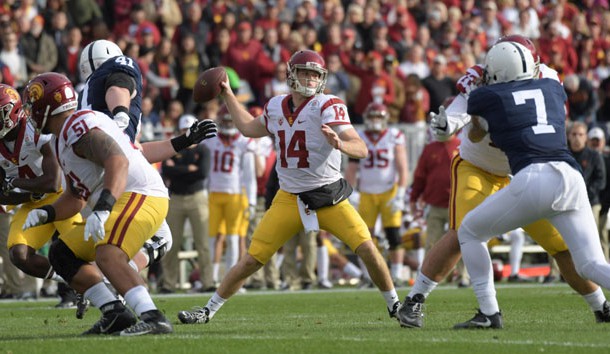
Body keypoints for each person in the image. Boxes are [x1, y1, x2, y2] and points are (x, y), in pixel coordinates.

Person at [397, 35, 610, 329]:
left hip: (525, 176)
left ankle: (597, 306)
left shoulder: (510, 86)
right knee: (461, 233)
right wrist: (450, 126)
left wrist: (463, 125)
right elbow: (461, 127)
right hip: (487, 167)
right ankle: (416, 299)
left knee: (548, 244)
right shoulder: (547, 83)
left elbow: (477, 125)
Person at [177, 50, 402, 325]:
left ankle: (395, 306)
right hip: (289, 197)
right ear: (291, 74)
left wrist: (341, 144)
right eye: (306, 72)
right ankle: (207, 310)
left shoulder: (328, 104)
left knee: (367, 248)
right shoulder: (275, 106)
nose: (310, 79)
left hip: (327, 196)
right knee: (252, 259)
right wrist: (227, 94)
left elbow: (361, 147)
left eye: (315, 74)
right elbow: (248, 127)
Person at [20, 72, 215, 335]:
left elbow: (117, 161)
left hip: (140, 193)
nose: (30, 113)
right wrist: (47, 213)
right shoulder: (60, 141)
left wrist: (102, 208)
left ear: (47, 106)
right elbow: (76, 197)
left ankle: (153, 316)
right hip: (119, 198)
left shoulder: (77, 125)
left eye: (33, 106)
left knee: (108, 253)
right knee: (62, 254)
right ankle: (115, 312)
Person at [0, 83, 84, 306]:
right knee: (19, 255)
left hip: (62, 198)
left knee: (78, 250)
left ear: (13, 111)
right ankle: (69, 283)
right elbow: (2, 196)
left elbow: (51, 182)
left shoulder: (37, 131)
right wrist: (23, 196)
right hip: (32, 202)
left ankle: (105, 291)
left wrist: (14, 183)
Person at [344, 102, 409, 285]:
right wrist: (351, 192)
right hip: (366, 193)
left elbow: (402, 166)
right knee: (364, 237)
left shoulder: (394, 135)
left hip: (389, 191)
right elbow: (351, 169)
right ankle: (368, 274)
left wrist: (401, 192)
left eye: (378, 117)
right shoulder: (359, 137)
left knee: (393, 235)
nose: (374, 121)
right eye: (372, 117)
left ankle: (395, 274)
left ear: (385, 118)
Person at [201, 105, 256, 285]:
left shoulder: (243, 142)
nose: (227, 123)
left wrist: (252, 201)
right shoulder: (210, 140)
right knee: (212, 237)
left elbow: (249, 175)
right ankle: (212, 278)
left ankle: (230, 279)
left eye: (230, 120)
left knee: (233, 238)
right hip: (213, 194)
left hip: (235, 194)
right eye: (224, 119)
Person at [159, 114, 215, 294]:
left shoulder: (203, 150)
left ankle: (208, 281)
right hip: (175, 198)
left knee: (202, 243)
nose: (187, 133)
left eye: (188, 129)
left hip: (197, 197)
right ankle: (169, 283)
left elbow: (202, 173)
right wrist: (189, 169)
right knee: (172, 244)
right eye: (183, 130)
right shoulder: (175, 147)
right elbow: (166, 170)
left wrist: (178, 170)